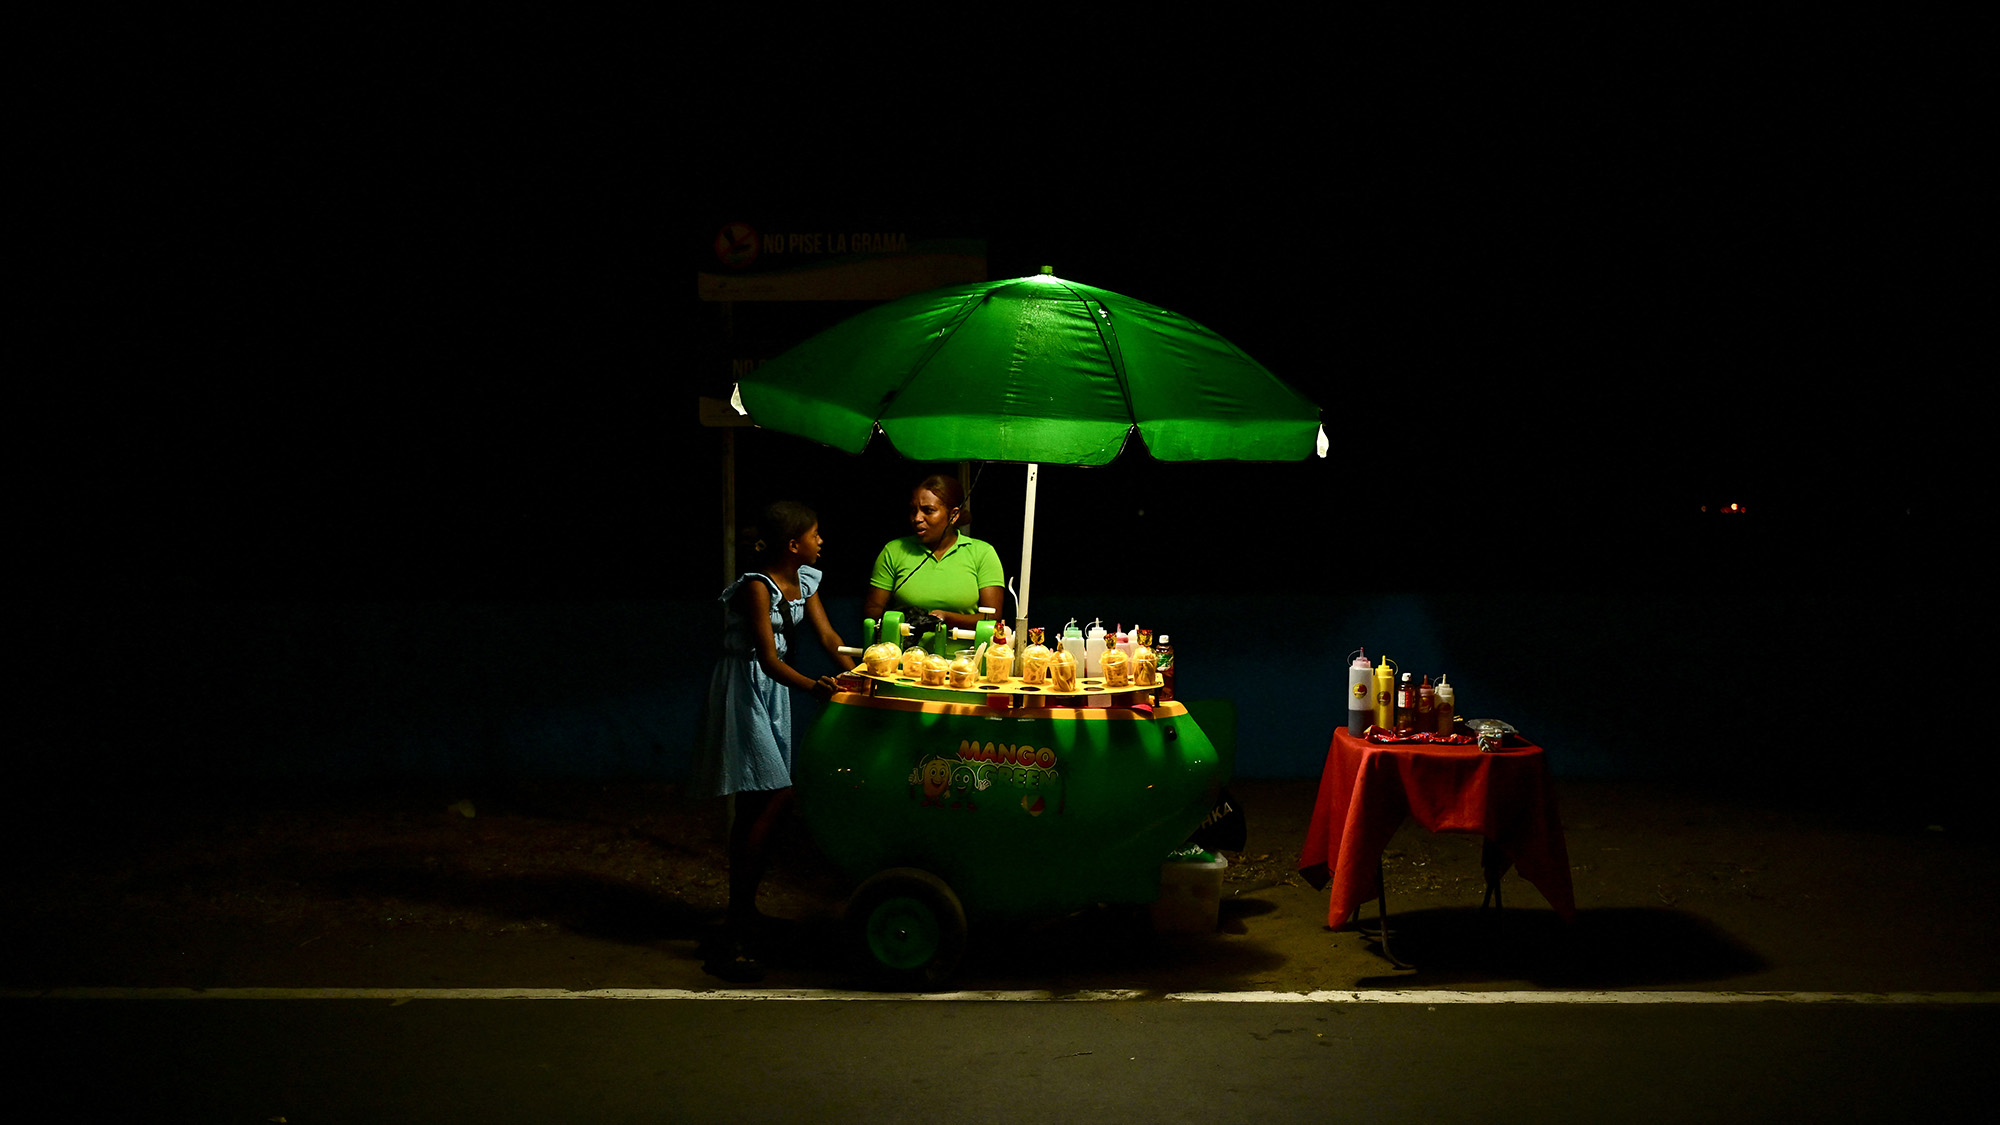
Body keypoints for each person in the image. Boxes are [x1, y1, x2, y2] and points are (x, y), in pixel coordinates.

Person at [692, 500, 853, 982]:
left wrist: (863, 670)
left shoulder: (804, 582)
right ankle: (736, 928)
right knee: (773, 795)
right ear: (793, 544)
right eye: (815, 534)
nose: (821, 541)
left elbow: (828, 637)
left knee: (758, 803)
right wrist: (817, 687)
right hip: (746, 687)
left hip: (774, 692)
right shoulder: (756, 588)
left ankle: (743, 912)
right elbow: (765, 658)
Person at [862, 472, 1007, 634]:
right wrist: (906, 620)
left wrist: (947, 618)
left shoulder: (982, 553)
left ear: (953, 515)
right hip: (905, 656)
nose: (917, 518)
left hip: (966, 657)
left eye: (928, 510)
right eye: (913, 510)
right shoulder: (894, 551)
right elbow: (873, 610)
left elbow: (992, 619)